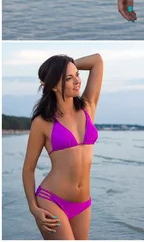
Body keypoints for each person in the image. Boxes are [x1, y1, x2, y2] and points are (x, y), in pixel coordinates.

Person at [22, 54, 104, 240]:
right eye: (69, 78)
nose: (77, 81)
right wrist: (34, 208)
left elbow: (97, 60)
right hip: (51, 200)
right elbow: (28, 169)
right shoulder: (42, 122)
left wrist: (66, 66)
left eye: (77, 74)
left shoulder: (88, 107)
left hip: (83, 204)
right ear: (52, 85)